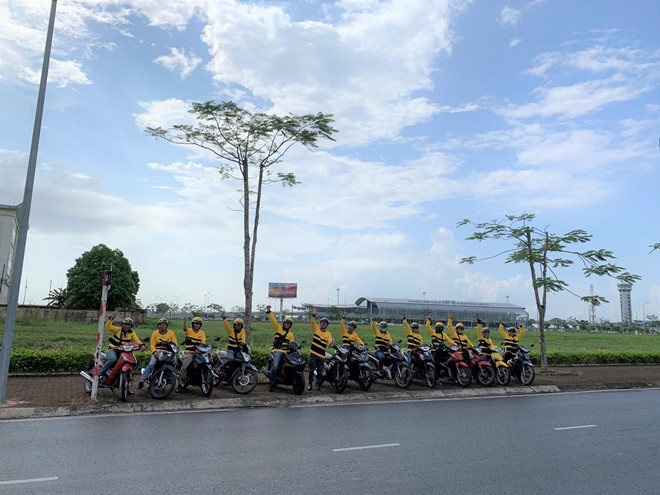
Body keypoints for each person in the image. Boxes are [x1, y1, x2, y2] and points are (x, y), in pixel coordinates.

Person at [99, 309, 145, 388]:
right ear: (123, 324)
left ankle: (126, 383)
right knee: (113, 359)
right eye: (125, 324)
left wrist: (142, 345)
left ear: (131, 326)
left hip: (124, 351)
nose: (127, 326)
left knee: (131, 361)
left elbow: (137, 340)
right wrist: (111, 318)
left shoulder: (132, 333)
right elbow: (108, 326)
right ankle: (100, 374)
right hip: (113, 349)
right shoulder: (117, 330)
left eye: (129, 325)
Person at [138, 318, 178, 390]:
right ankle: (142, 381)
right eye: (160, 325)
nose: (162, 326)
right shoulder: (155, 333)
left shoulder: (171, 333)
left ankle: (170, 376)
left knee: (175, 361)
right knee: (151, 364)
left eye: (163, 325)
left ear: (166, 326)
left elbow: (174, 343)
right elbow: (152, 344)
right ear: (158, 326)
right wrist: (154, 352)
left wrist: (174, 349)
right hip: (158, 351)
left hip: (168, 352)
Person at [265, 305, 295, 392]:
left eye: (289, 323)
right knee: (275, 366)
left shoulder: (291, 334)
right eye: (286, 323)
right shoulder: (278, 328)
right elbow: (273, 320)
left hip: (287, 352)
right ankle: (272, 384)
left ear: (290, 325)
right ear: (283, 323)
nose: (287, 324)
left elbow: (292, 343)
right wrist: (269, 312)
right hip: (278, 351)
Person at [178, 315, 206, 391]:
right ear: (193, 324)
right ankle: (180, 384)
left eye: (198, 324)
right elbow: (184, 329)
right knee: (185, 366)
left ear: (200, 325)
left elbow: (203, 343)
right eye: (195, 323)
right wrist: (185, 320)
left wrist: (200, 350)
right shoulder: (189, 331)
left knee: (206, 362)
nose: (197, 325)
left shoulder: (202, 333)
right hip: (189, 352)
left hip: (198, 352)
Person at [308, 308, 334, 390]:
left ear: (327, 325)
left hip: (321, 355)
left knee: (320, 372)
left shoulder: (328, 333)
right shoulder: (316, 329)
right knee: (311, 370)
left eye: (325, 323)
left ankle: (318, 384)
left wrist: (331, 344)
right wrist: (313, 315)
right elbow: (312, 322)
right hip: (314, 353)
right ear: (320, 323)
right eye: (322, 322)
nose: (323, 324)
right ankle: (309, 384)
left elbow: (329, 342)